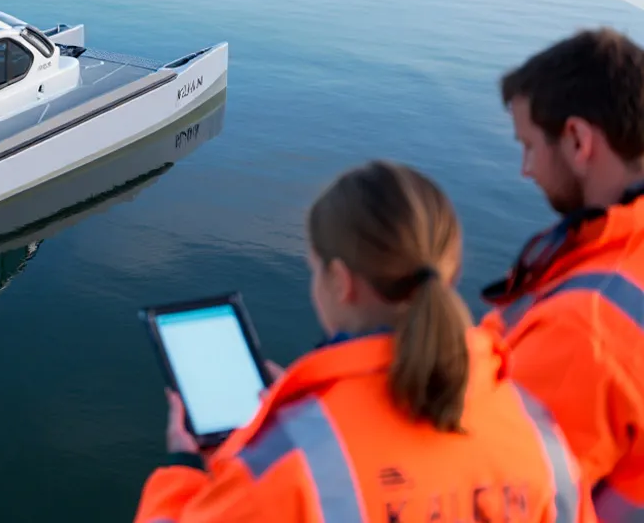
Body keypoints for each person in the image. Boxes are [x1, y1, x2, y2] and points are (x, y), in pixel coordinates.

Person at [134, 160, 591, 523]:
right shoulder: (538, 431)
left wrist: (188, 466)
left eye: (314, 270)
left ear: (340, 281)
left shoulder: (290, 463)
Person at [482, 27, 644, 521]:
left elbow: (490, 489)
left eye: (528, 146)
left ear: (577, 139)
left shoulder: (586, 327)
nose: (525, 170)